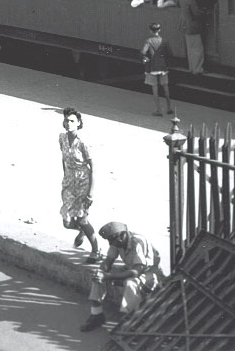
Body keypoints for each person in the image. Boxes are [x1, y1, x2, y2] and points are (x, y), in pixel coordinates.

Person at [81, 221, 163, 332]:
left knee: (131, 283)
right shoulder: (117, 241)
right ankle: (97, 315)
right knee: (98, 277)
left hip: (150, 273)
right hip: (131, 268)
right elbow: (108, 261)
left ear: (122, 235)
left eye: (112, 240)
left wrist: (109, 276)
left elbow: (136, 272)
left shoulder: (138, 242)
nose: (110, 243)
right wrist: (101, 272)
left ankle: (130, 321)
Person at [59, 108, 102, 265]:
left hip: (83, 182)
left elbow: (93, 168)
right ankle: (82, 232)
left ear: (78, 123)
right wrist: (66, 176)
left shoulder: (83, 143)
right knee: (67, 221)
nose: (68, 123)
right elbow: (63, 159)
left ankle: (96, 250)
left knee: (82, 219)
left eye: (72, 121)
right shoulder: (62, 138)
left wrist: (90, 193)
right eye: (66, 120)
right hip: (69, 182)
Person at [142, 23, 173, 116]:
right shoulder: (165, 41)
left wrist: (146, 58)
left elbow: (143, 52)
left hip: (152, 68)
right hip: (163, 68)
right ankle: (169, 108)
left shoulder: (148, 41)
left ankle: (159, 110)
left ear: (150, 31)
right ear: (159, 30)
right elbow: (170, 54)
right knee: (165, 88)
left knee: (155, 89)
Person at [179, 0, 205, 74]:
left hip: (185, 25)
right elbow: (196, 13)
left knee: (190, 49)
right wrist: (204, 12)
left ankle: (191, 68)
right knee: (197, 49)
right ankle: (197, 69)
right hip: (193, 26)